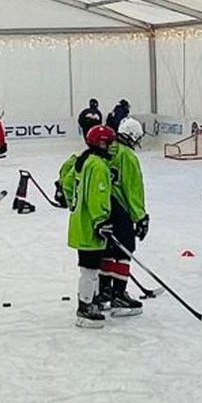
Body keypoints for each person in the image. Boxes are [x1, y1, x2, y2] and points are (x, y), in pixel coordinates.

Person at [60, 124, 118, 328]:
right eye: (108, 142)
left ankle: (89, 302)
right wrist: (101, 220)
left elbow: (66, 184)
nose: (111, 146)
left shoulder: (82, 161)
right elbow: (97, 196)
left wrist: (73, 205)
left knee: (88, 268)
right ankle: (84, 309)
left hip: (78, 223)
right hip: (90, 227)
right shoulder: (98, 166)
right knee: (90, 270)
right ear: (99, 143)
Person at [98, 117, 148, 317]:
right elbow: (134, 189)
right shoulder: (128, 156)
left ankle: (104, 292)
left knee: (108, 251)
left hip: (103, 208)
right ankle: (119, 295)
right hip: (122, 212)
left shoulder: (104, 150)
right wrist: (141, 217)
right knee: (125, 251)